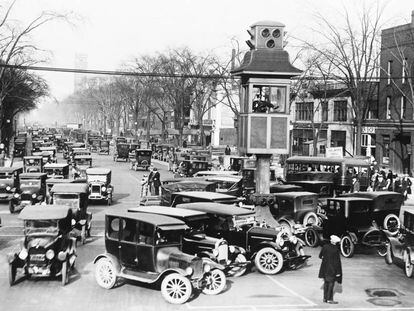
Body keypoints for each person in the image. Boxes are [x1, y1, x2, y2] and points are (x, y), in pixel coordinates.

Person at [319, 235, 342, 304]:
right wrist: (338, 272)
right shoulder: (336, 249)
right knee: (331, 285)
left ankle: (325, 298)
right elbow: (337, 262)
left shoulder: (325, 246)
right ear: (336, 242)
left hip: (325, 268)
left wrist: (325, 259)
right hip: (332, 269)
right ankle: (329, 299)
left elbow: (320, 256)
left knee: (326, 283)